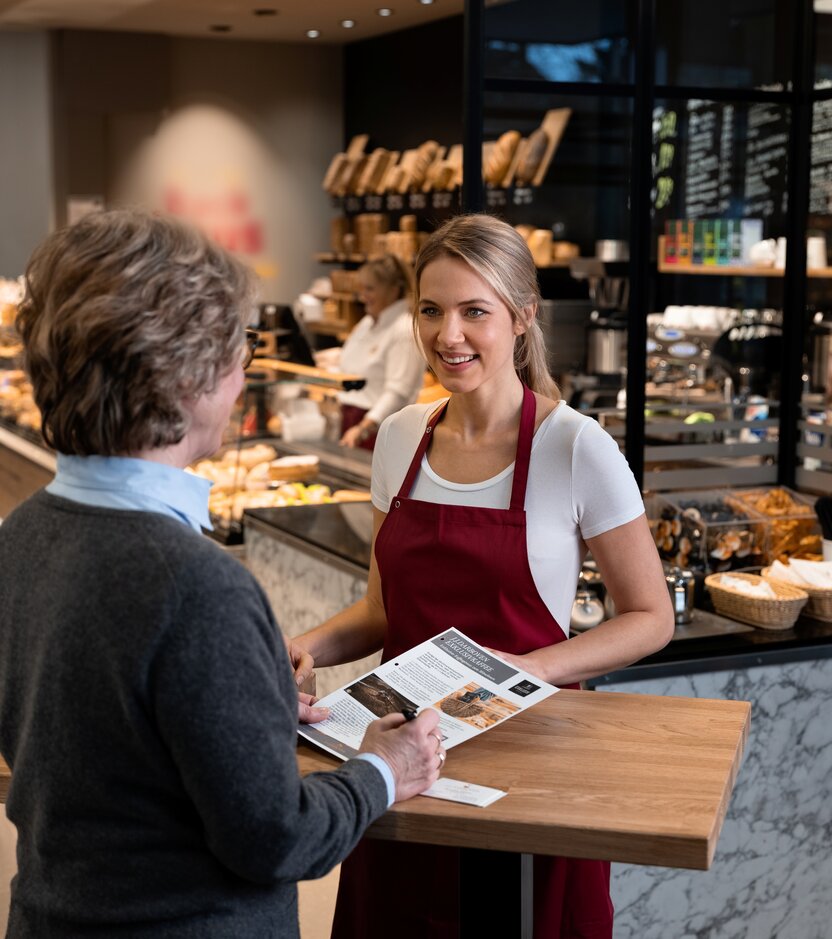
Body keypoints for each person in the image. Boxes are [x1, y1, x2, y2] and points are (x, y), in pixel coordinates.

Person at [0, 209, 444, 938]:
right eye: (234, 345)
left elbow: (84, 740)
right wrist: (383, 769)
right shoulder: (197, 584)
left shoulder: (21, 532)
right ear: (182, 376)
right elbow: (276, 839)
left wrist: (245, 708)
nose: (244, 368)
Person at [289, 214, 675, 939]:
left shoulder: (575, 447)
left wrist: (527, 666)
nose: (448, 335)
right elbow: (381, 607)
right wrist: (303, 646)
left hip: (531, 754)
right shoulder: (401, 434)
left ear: (522, 317)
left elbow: (650, 616)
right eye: (431, 310)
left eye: (475, 311)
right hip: (403, 753)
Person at [336, 254, 426, 450]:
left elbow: (398, 393)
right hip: (350, 421)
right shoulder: (366, 323)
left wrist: (363, 428)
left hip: (379, 429)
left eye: (370, 289)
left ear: (394, 290)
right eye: (361, 289)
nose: (362, 296)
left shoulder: (404, 330)